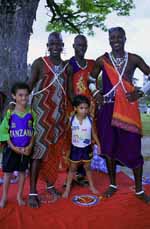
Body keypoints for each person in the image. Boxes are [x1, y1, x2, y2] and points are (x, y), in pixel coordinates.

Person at [88, 27, 150, 203]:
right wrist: (95, 93)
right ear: (109, 40)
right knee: (109, 148)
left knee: (133, 146)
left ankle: (139, 190)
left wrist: (140, 93)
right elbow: (91, 80)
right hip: (107, 110)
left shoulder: (134, 59)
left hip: (128, 110)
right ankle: (113, 185)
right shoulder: (103, 60)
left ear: (124, 38)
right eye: (112, 38)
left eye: (118, 37)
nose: (115, 40)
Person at [28, 32, 69, 208]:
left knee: (53, 153)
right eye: (51, 43)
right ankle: (32, 192)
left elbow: (69, 92)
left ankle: (51, 184)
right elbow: (29, 85)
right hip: (41, 115)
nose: (55, 47)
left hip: (58, 117)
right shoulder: (40, 63)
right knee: (38, 152)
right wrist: (16, 101)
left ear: (62, 46)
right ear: (47, 45)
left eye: (58, 43)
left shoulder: (67, 67)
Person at [0, 82, 36, 208]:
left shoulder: (31, 113)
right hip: (12, 149)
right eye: (20, 95)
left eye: (26, 95)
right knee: (8, 174)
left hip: (26, 150)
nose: (23, 98)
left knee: (22, 173)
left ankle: (19, 196)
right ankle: (4, 197)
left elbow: (34, 131)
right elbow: (4, 132)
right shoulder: (10, 114)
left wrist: (30, 146)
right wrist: (13, 146)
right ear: (14, 96)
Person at [67, 34, 96, 186]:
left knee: (87, 138)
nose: (82, 48)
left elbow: (94, 84)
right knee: (74, 139)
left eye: (84, 45)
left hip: (89, 108)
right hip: (76, 108)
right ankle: (73, 172)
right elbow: (69, 89)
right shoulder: (69, 65)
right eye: (79, 45)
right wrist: (76, 107)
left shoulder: (91, 64)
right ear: (73, 46)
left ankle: (83, 172)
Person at [62, 95, 101, 198]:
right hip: (75, 148)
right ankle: (67, 188)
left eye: (86, 108)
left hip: (87, 148)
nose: (84, 111)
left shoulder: (90, 120)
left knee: (87, 168)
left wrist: (99, 145)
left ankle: (92, 186)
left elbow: (94, 134)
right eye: (81, 108)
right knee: (72, 169)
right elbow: (66, 132)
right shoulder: (71, 119)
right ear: (75, 108)